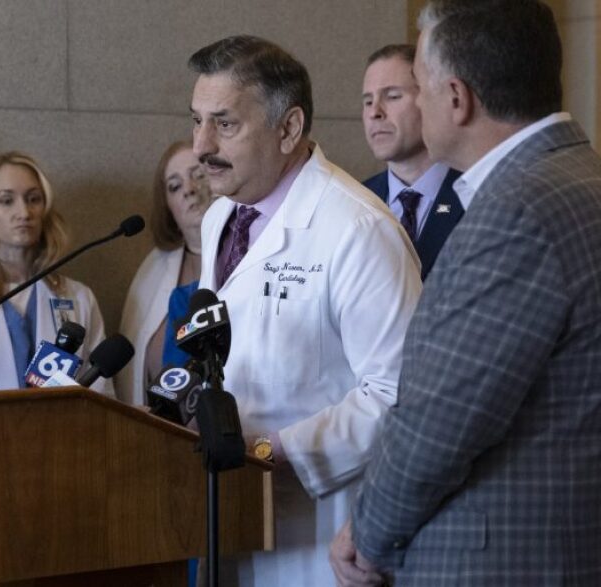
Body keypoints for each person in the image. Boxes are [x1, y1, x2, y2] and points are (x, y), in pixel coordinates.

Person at [331, 1, 601, 585]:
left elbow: (441, 421)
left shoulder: (518, 210)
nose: (417, 104)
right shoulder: (578, 177)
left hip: (498, 558)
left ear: (457, 98)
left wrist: (369, 534)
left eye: (418, 89)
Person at [188, 35, 422, 585]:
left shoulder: (358, 230)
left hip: (320, 531)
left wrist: (271, 449)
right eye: (195, 120)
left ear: (288, 129)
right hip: (230, 514)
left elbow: (398, 395)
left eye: (224, 124)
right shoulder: (221, 217)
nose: (201, 145)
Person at [0, 151, 111, 395]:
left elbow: (101, 391)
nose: (24, 213)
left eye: (33, 199)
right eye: (6, 200)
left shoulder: (79, 297)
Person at [116, 140, 213, 406]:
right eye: (175, 186)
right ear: (167, 206)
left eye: (199, 175)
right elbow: (131, 372)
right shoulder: (153, 269)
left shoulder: (253, 253)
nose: (189, 190)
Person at [361, 43, 463, 280]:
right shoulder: (355, 200)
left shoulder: (476, 194)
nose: (375, 112)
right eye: (367, 101)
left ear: (429, 99)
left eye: (393, 96)